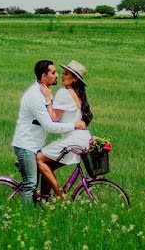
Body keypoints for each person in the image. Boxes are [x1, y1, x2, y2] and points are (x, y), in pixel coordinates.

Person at [11, 60, 87, 206]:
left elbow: (54, 119)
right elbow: (50, 125)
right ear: (43, 76)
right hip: (27, 145)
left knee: (46, 169)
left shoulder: (46, 93)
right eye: (53, 72)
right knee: (30, 185)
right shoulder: (35, 96)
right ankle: (28, 217)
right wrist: (74, 126)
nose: (57, 75)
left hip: (36, 145)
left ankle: (44, 202)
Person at [36, 60, 92, 200]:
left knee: (39, 159)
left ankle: (60, 195)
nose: (62, 76)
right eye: (62, 73)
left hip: (73, 140)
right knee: (47, 167)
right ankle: (44, 201)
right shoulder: (78, 94)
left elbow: (54, 118)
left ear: (74, 79)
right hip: (82, 139)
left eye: (66, 74)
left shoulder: (64, 93)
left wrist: (48, 98)